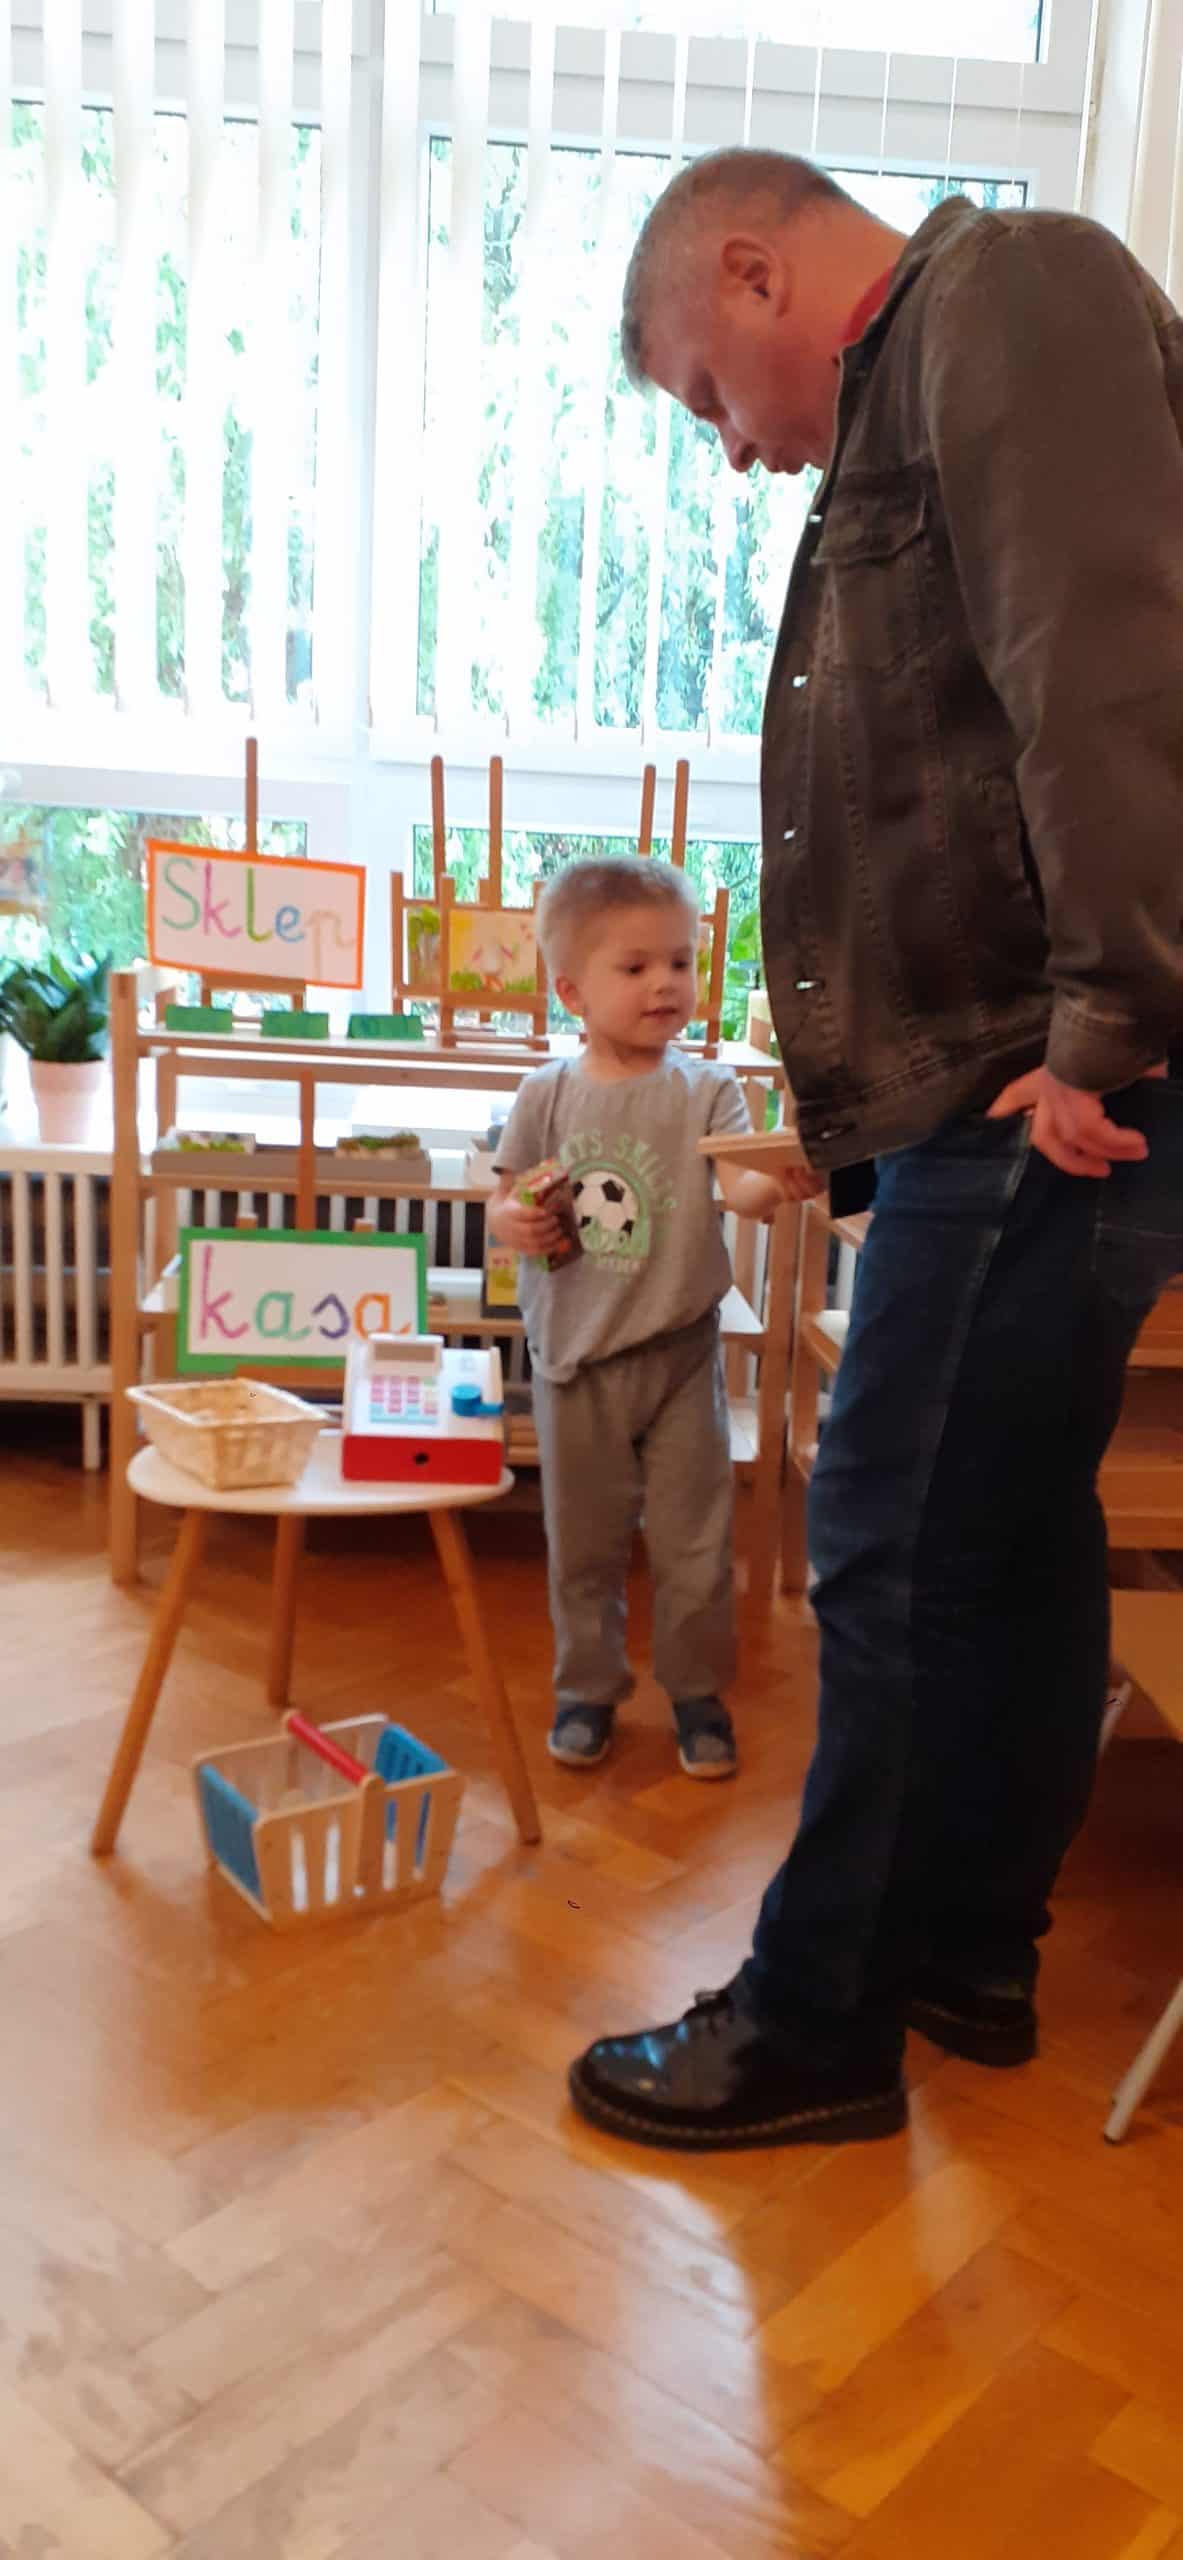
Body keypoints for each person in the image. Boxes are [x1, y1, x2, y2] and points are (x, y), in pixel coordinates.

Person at [566, 152, 1183, 2152]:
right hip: (1004, 1073)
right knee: (1000, 1529)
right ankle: (963, 1953)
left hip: (1037, 1075)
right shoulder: (926, 380)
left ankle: (816, 2025)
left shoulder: (1005, 293)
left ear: (753, 270)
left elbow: (1105, 667)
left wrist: (1102, 1018)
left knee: (886, 1533)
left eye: (703, 395)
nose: (730, 449)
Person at [489, 856, 803, 1778]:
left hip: (678, 1355)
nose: (665, 983)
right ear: (571, 991)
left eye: (680, 962)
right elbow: (504, 1201)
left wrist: (782, 1181)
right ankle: (587, 1689)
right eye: (635, 967)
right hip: (574, 1361)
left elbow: (741, 1189)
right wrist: (512, 1220)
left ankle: (697, 1694)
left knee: (695, 1544)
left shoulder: (707, 1090)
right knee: (582, 1546)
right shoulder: (546, 1093)